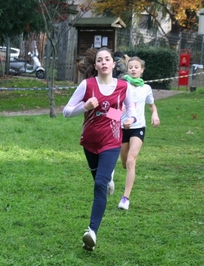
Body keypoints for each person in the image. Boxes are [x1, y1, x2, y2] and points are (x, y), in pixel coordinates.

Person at [63, 47, 137, 251]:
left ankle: (91, 232)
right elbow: (66, 112)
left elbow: (130, 110)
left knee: (99, 185)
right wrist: (85, 107)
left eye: (107, 59)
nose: (104, 62)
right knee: (100, 181)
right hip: (89, 142)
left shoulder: (123, 86)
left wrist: (129, 119)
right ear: (95, 65)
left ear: (113, 64)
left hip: (112, 142)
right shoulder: (87, 85)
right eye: (100, 60)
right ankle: (109, 178)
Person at [118, 56, 160, 210]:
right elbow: (112, 103)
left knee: (131, 161)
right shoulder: (121, 85)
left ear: (142, 70)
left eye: (136, 67)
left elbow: (152, 106)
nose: (133, 69)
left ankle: (125, 198)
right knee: (124, 163)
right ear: (127, 70)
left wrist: (155, 114)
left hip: (138, 127)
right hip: (122, 127)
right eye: (131, 67)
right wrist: (118, 110)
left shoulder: (146, 88)